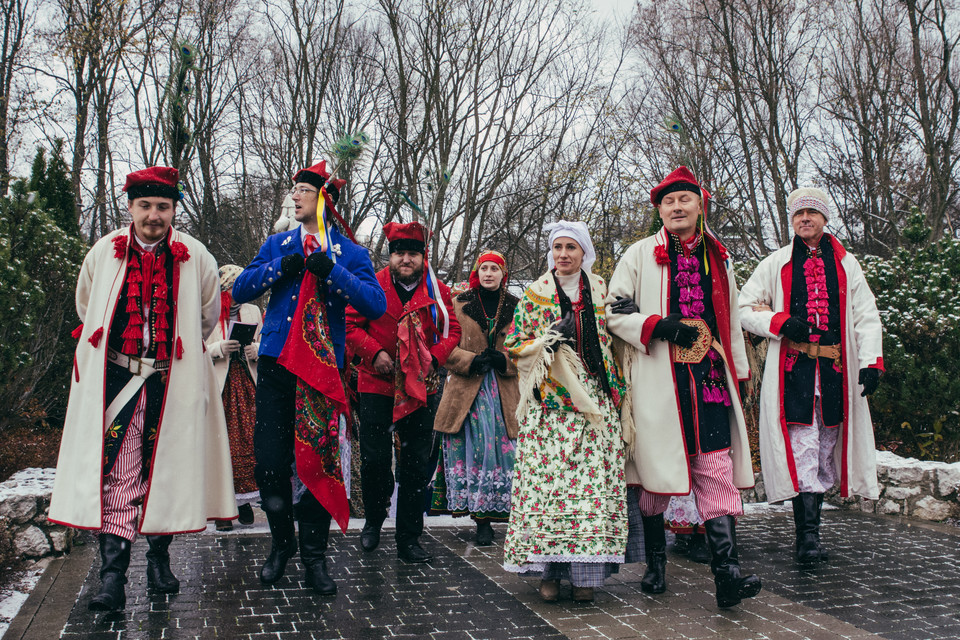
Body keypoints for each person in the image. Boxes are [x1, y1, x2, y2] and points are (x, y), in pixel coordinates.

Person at [48, 166, 235, 611]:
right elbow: (86, 303)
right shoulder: (104, 252)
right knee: (118, 473)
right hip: (116, 381)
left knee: (166, 470)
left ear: (174, 209)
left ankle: (159, 559)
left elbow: (207, 313)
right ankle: (112, 575)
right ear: (130, 207)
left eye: (163, 207)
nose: (154, 215)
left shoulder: (196, 255)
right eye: (145, 206)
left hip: (173, 380)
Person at [605, 166, 761, 609]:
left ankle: (726, 575)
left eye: (685, 200)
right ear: (659, 209)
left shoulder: (718, 257)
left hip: (709, 379)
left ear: (699, 205)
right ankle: (656, 564)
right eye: (669, 202)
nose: (677, 207)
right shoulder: (637, 254)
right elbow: (613, 312)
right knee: (656, 479)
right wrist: (658, 325)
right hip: (659, 379)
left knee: (714, 468)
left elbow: (730, 324)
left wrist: (742, 374)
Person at [232, 161, 386, 595]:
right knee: (270, 465)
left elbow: (374, 305)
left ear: (324, 199)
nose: (294, 195)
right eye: (293, 188)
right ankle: (282, 543)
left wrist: (330, 271)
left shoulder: (351, 253)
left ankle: (315, 557)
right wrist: (283, 267)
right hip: (277, 365)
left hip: (321, 373)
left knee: (318, 463)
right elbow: (241, 289)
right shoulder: (277, 243)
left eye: (302, 189)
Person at [738, 187, 883, 563]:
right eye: (799, 212)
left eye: (812, 213)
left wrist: (871, 361)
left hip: (834, 372)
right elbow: (743, 307)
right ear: (791, 220)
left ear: (824, 218)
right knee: (801, 450)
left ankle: (812, 533)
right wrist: (780, 322)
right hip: (794, 373)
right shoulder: (777, 263)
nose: (805, 218)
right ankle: (807, 539)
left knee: (821, 453)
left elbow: (865, 315)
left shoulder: (847, 264)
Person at [503, 221, 628, 604]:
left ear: (584, 253)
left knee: (588, 496)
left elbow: (617, 335)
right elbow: (514, 342)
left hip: (593, 402)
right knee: (550, 493)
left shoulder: (602, 290)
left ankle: (586, 576)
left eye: (571, 247)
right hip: (551, 406)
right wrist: (547, 340)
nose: (563, 254)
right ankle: (550, 574)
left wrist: (628, 314)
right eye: (557, 247)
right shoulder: (535, 295)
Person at [345, 221, 460, 563]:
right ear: (390, 256)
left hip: (421, 388)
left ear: (422, 257)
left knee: (415, 464)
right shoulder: (371, 285)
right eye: (399, 254)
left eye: (412, 254)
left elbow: (451, 331)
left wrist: (433, 358)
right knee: (376, 460)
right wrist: (373, 352)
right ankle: (374, 520)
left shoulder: (437, 290)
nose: (405, 260)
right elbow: (350, 325)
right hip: (376, 384)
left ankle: (409, 537)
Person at [432, 250, 520, 546]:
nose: (488, 273)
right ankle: (481, 520)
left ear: (502, 273)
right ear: (477, 272)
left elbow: (529, 347)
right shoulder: (458, 304)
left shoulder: (517, 307)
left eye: (494, 268)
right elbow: (442, 345)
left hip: (505, 392)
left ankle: (505, 514)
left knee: (506, 452)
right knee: (475, 451)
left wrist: (505, 360)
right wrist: (469, 360)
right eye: (484, 268)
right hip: (467, 390)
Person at [207, 264, 262, 531]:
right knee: (223, 444)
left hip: (247, 382)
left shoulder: (252, 311)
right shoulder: (208, 311)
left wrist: (256, 350)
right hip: (220, 386)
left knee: (250, 440)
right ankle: (222, 508)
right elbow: (195, 346)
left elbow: (267, 340)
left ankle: (244, 500)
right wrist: (219, 347)